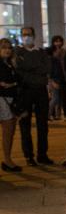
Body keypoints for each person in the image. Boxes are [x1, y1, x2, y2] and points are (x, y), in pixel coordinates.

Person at [15, 26, 54, 166]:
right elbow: (19, 71)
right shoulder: (17, 52)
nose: (27, 37)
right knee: (25, 125)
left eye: (29, 34)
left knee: (42, 124)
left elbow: (47, 68)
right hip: (25, 92)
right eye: (24, 34)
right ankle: (28, 156)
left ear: (34, 35)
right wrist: (36, 71)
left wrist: (29, 68)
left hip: (40, 91)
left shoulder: (41, 52)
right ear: (21, 36)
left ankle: (42, 154)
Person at [0, 39, 20, 172]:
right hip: (2, 99)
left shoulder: (10, 64)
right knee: (7, 129)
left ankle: (8, 159)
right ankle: (7, 160)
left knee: (10, 131)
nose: (7, 50)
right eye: (3, 48)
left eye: (9, 48)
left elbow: (16, 81)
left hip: (11, 99)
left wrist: (12, 84)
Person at [47, 35, 66, 120]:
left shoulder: (64, 51)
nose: (58, 43)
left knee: (60, 98)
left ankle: (57, 115)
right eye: (56, 41)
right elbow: (49, 68)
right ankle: (48, 114)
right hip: (54, 78)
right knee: (55, 97)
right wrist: (51, 81)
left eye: (60, 41)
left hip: (62, 77)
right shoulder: (50, 52)